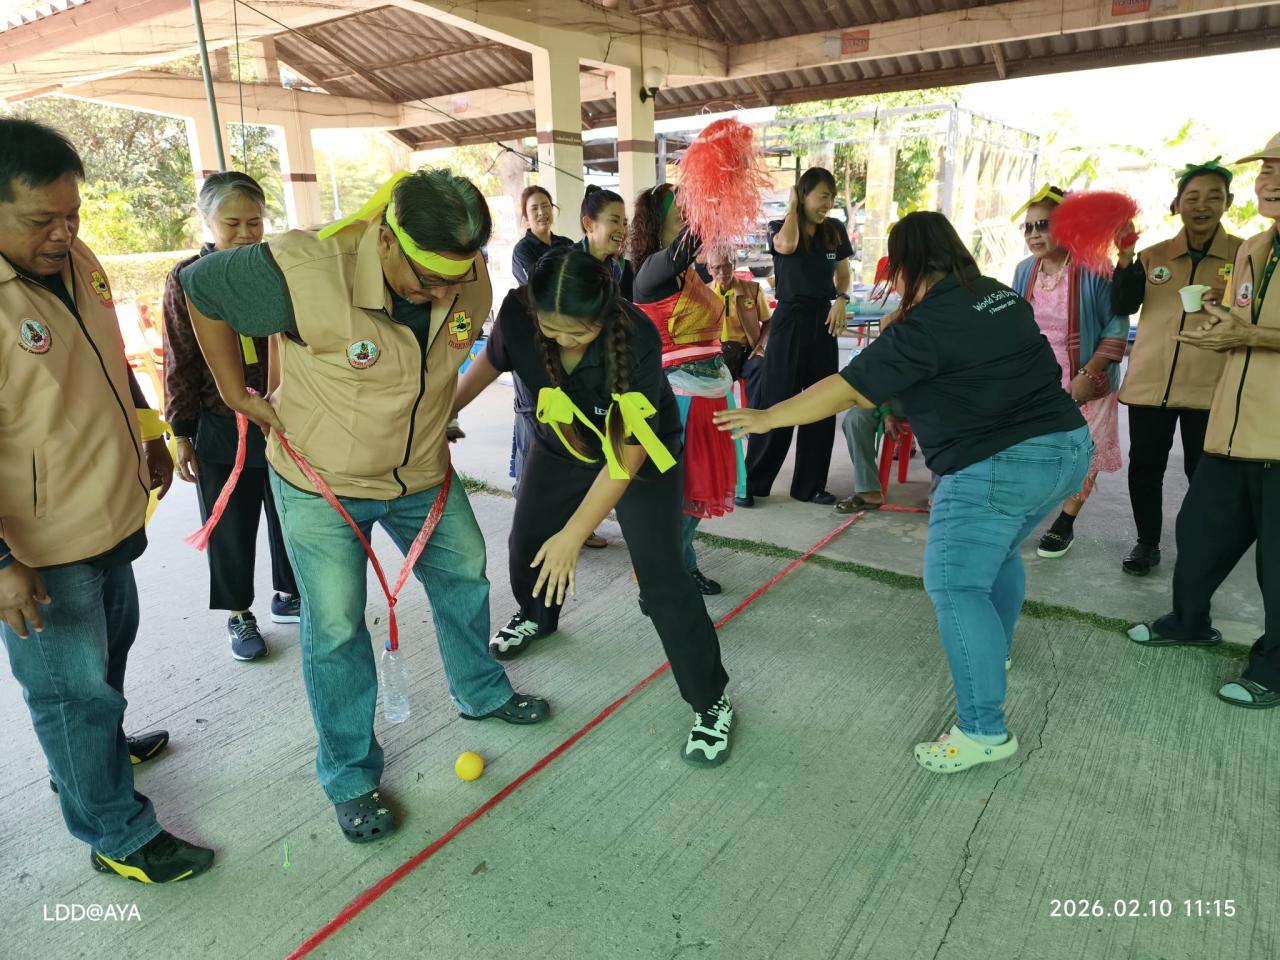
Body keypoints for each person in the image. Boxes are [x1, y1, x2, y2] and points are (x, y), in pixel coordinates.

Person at [180, 169, 551, 843]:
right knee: (337, 626)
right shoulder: (304, 268)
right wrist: (235, 389)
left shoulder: (468, 278)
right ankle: (349, 774)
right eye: (426, 280)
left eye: (456, 279)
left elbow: (453, 351)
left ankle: (480, 691)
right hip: (323, 480)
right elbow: (199, 289)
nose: (445, 293)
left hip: (418, 473)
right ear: (384, 240)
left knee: (467, 573)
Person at [716, 212, 1091, 773]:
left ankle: (984, 731)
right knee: (1002, 552)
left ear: (907, 264)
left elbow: (846, 389)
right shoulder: (995, 293)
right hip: (1066, 451)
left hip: (997, 464)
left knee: (955, 584)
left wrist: (769, 417)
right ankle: (996, 653)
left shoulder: (926, 324)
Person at [0, 119, 213, 881]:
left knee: (104, 660)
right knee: (68, 692)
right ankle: (116, 834)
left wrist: (151, 433)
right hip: (38, 544)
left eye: (72, 215)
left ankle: (96, 752)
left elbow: (111, 359)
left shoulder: (76, 260)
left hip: (107, 510)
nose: (63, 233)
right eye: (40, 221)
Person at [453, 248, 734, 765]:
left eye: (576, 335)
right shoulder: (517, 313)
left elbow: (626, 455)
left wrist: (576, 533)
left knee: (663, 579)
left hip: (638, 455)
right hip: (563, 439)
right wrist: (443, 413)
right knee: (529, 543)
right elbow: (489, 363)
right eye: (551, 331)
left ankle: (711, 700)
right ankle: (538, 615)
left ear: (603, 315)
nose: (562, 342)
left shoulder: (638, 338)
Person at [1129, 134, 1280, 709]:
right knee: (1199, 536)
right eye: (1265, 167)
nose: (1269, 178)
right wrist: (1224, 331)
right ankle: (1189, 622)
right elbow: (1241, 324)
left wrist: (1252, 336)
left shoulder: (1240, 245)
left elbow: (1255, 333)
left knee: (1278, 566)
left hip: (1277, 436)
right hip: (1229, 428)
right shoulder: (1254, 249)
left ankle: (1274, 664)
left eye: (1278, 167)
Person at [162, 171, 299, 660]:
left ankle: (291, 593)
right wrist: (181, 432)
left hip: (280, 415)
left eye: (255, 222)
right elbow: (178, 355)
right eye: (233, 223)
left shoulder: (277, 268)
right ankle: (239, 615)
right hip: (220, 422)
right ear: (207, 221)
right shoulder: (186, 279)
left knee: (288, 510)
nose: (245, 233)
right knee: (230, 523)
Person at [1111, 160, 1241, 575]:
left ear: (1229, 203)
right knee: (1145, 468)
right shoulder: (1153, 257)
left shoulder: (1244, 255)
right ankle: (1147, 543)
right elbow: (1124, 305)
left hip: (1211, 386)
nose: (1202, 206)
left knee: (1202, 474)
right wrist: (1126, 256)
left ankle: (1198, 544)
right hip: (1151, 383)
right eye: (1192, 198)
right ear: (1176, 205)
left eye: (1213, 197)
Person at [629, 184, 741, 597]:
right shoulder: (653, 271)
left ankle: (678, 566)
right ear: (659, 222)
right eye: (682, 210)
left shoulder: (686, 272)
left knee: (691, 498)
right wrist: (715, 197)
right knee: (679, 498)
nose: (690, 216)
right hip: (678, 400)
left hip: (708, 397)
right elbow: (691, 240)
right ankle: (659, 578)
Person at [1012, 185, 1128, 558]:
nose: (1033, 234)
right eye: (1027, 227)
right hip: (1037, 380)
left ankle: (1065, 523)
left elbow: (1116, 326)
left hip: (1086, 378)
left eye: (1042, 225)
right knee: (1036, 451)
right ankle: (1027, 512)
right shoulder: (1023, 270)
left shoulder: (1095, 268)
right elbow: (1015, 322)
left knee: (1082, 451)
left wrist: (1090, 373)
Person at [742, 167, 853, 507]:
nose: (827, 204)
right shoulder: (780, 227)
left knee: (822, 401)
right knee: (777, 399)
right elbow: (787, 246)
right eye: (822, 197)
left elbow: (843, 275)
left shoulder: (835, 231)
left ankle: (809, 486)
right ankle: (753, 483)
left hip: (824, 320)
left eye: (831, 198)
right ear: (803, 195)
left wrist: (841, 300)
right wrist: (792, 206)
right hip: (789, 320)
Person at [506, 187, 607, 548]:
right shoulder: (523, 251)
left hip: (568, 354)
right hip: (537, 355)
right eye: (534, 208)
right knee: (536, 440)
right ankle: (535, 529)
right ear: (525, 215)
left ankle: (580, 527)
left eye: (547, 206)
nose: (542, 213)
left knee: (573, 441)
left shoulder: (565, 243)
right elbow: (545, 292)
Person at [705, 248, 770, 382]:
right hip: (717, 353)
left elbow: (769, 321)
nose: (723, 272)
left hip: (747, 351)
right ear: (709, 269)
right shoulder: (703, 294)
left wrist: (761, 346)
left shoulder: (754, 290)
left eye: (727, 265)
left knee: (760, 366)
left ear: (734, 264)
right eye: (717, 267)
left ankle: (753, 404)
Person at [577, 185, 634, 301]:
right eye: (614, 220)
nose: (623, 230)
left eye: (624, 223)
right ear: (588, 224)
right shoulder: (567, 266)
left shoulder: (620, 269)